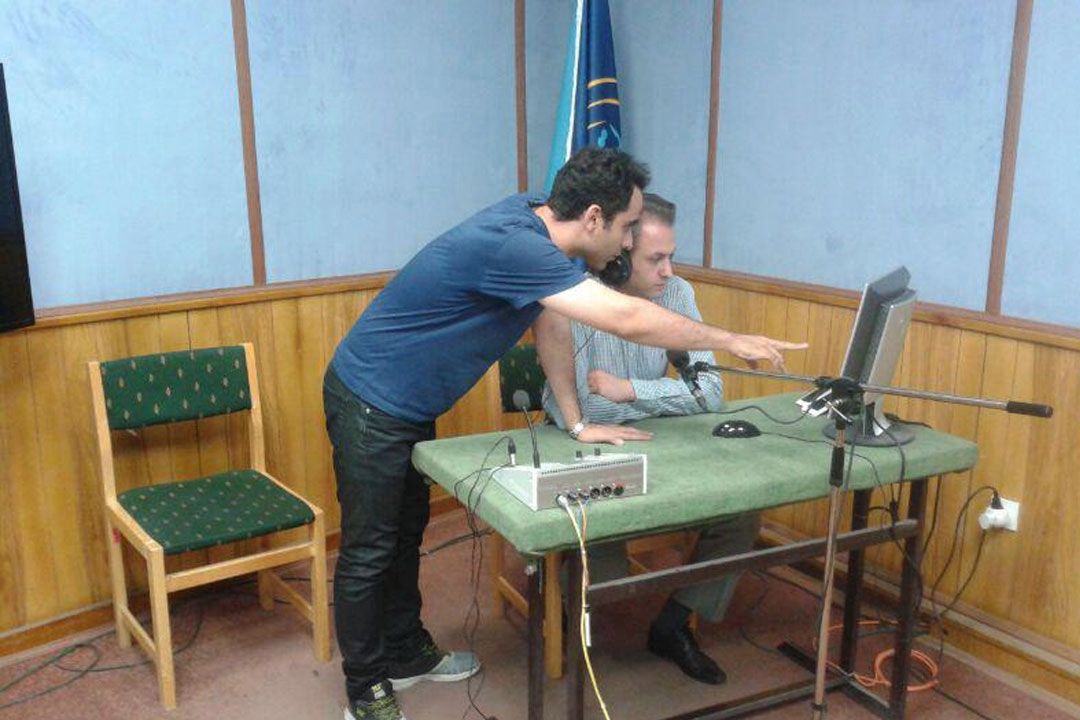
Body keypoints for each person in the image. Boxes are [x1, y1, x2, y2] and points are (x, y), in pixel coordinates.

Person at [324, 147, 805, 720]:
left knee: (405, 535)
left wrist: (576, 421)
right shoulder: (517, 246)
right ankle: (365, 687)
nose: (629, 242)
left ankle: (404, 652)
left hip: (407, 401)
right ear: (595, 217)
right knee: (370, 549)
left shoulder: (543, 224)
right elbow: (626, 318)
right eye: (627, 227)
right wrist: (730, 339)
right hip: (370, 398)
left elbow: (549, 321)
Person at [542, 192, 760, 685]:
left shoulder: (677, 294)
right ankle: (564, 607)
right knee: (607, 577)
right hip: (584, 449)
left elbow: (710, 394)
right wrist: (662, 398)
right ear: (620, 258)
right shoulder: (575, 298)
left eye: (671, 256)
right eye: (655, 259)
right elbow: (581, 411)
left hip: (659, 442)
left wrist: (632, 390)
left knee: (741, 514)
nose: (668, 271)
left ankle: (673, 624)